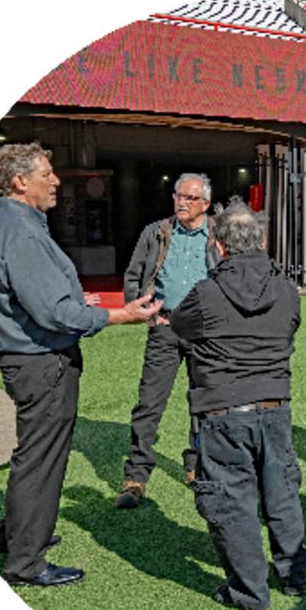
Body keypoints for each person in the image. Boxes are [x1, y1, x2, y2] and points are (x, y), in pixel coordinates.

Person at [0, 142, 162, 588]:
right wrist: (119, 314)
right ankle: (25, 563)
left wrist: (80, 301)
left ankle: (14, 537)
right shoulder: (21, 233)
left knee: (31, 455)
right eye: (47, 174)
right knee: (41, 460)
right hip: (41, 361)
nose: (56, 180)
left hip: (26, 358)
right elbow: (55, 312)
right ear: (21, 182)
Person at [170, 198, 306, 610]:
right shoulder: (286, 287)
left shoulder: (207, 292)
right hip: (273, 404)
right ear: (262, 239)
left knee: (232, 500)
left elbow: (180, 326)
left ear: (217, 243)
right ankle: (293, 574)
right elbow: (289, 325)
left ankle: (250, 590)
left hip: (223, 409)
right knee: (282, 491)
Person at [117, 174, 222, 508]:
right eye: (178, 195)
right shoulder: (156, 232)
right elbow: (133, 275)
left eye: (190, 198)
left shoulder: (220, 233)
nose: (181, 202)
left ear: (205, 203)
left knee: (203, 401)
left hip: (204, 331)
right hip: (164, 327)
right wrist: (146, 312)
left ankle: (197, 465)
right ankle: (136, 476)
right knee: (149, 402)